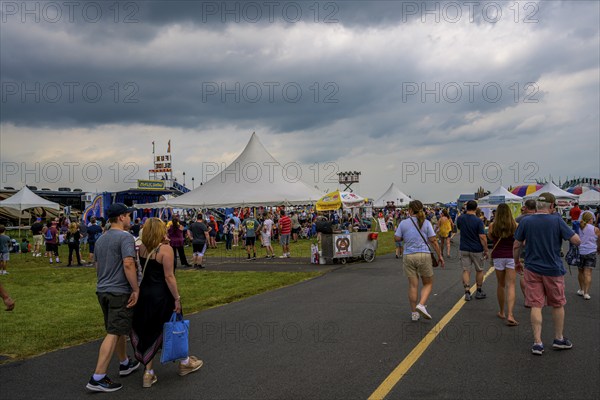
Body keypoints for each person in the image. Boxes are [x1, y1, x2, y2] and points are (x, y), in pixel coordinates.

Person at [131, 218, 203, 388]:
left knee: (149, 330)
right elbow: (169, 277)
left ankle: (148, 373)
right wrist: (177, 297)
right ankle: (184, 361)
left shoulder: (141, 248)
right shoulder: (166, 249)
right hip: (162, 295)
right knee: (174, 326)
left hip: (145, 293)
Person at [513, 192, 581, 355]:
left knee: (536, 305)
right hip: (553, 269)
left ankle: (537, 342)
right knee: (557, 304)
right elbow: (576, 240)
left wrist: (516, 262)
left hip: (532, 267)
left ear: (537, 206)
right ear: (552, 206)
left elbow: (517, 245)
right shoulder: (557, 220)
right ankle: (558, 338)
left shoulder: (526, 221)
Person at [86, 203, 141, 392]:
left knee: (117, 329)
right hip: (119, 290)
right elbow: (128, 264)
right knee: (114, 331)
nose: (130, 218)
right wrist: (135, 288)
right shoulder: (125, 237)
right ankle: (98, 376)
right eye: (128, 215)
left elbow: (98, 266)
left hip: (103, 289)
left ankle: (124, 362)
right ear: (121, 218)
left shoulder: (101, 239)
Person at [394, 200, 445, 321]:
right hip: (423, 255)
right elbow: (433, 241)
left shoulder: (403, 223)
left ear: (410, 210)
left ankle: (414, 313)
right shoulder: (426, 223)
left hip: (408, 256)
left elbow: (397, 238)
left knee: (413, 285)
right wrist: (440, 256)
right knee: (428, 283)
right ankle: (421, 305)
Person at [488, 203, 518, 326]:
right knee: (511, 285)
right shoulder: (516, 225)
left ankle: (502, 311)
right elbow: (519, 241)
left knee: (501, 285)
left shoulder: (492, 226)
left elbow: (490, 238)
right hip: (511, 256)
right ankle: (511, 314)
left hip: (498, 256)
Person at [456, 200, 489, 301]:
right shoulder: (478, 221)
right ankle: (478, 290)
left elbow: (459, 228)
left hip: (464, 247)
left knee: (466, 270)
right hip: (476, 249)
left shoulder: (460, 218)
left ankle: (467, 291)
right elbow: (482, 237)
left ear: (466, 208)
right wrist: (486, 249)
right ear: (476, 208)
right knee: (479, 270)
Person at [576, 212, 599, 300]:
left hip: (581, 251)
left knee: (580, 272)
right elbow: (598, 240)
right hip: (591, 252)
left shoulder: (579, 227)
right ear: (590, 219)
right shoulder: (595, 229)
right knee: (588, 273)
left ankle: (581, 289)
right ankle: (586, 293)